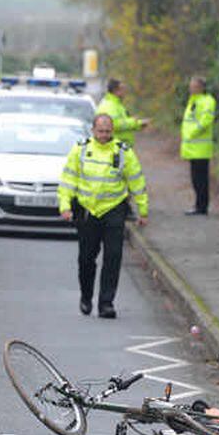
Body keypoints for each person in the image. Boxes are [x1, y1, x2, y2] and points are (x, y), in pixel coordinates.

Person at [58, 114, 149, 318]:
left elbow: (136, 182)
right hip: (87, 210)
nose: (104, 135)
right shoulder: (80, 149)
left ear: (113, 131)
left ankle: (106, 303)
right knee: (86, 258)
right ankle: (86, 296)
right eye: (100, 131)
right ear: (93, 130)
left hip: (114, 209)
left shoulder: (123, 152)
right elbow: (68, 180)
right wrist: (65, 206)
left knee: (113, 257)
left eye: (108, 131)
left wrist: (143, 211)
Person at [180, 76, 216, 216]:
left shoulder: (207, 101)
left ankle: (201, 207)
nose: (190, 88)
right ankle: (198, 205)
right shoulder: (193, 100)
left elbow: (206, 120)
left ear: (201, 87)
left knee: (201, 180)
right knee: (195, 179)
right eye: (190, 86)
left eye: (193, 86)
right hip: (193, 147)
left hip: (200, 147)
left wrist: (193, 133)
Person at [95, 78, 149, 147]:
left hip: (121, 147)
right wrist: (133, 122)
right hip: (115, 148)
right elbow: (113, 124)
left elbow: (123, 123)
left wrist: (139, 124)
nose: (125, 91)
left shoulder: (116, 104)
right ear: (115, 90)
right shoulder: (109, 105)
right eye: (122, 89)